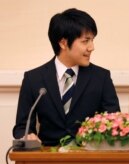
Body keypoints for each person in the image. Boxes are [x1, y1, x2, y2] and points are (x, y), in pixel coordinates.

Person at [13, 8, 120, 147]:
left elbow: (114, 122)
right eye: (85, 41)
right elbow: (21, 127)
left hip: (88, 157)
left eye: (92, 40)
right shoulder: (33, 79)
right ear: (63, 43)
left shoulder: (101, 77)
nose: (91, 47)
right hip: (48, 159)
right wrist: (27, 135)